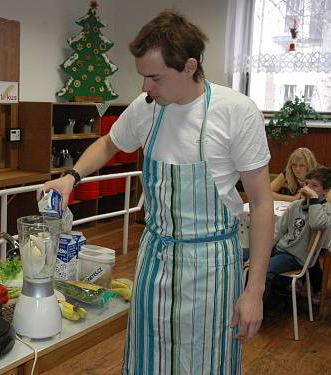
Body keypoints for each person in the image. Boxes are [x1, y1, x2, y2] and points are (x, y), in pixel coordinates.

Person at [45, 10, 274, 374]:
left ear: (188, 66)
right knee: (147, 360)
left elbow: (262, 205)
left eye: (154, 77)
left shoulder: (236, 112)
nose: (145, 88)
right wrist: (71, 176)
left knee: (205, 362)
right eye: (143, 77)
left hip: (212, 266)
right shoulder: (146, 109)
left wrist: (254, 290)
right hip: (155, 259)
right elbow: (108, 143)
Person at [246, 166, 331, 303]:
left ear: (326, 191)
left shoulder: (326, 211)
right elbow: (277, 232)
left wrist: (314, 199)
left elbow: (317, 223)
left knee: (261, 272)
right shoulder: (295, 206)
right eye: (307, 183)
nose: (308, 188)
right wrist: (262, 252)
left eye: (314, 186)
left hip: (295, 257)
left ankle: (258, 308)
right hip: (280, 249)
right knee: (239, 255)